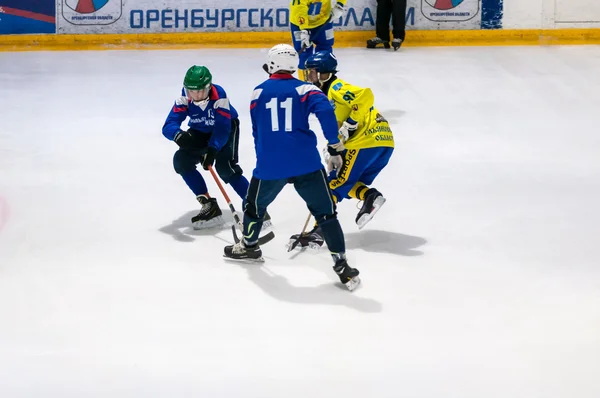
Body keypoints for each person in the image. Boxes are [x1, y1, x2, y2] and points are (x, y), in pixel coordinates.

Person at [223, 44, 360, 291]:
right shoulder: (306, 89)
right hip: (306, 162)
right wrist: (334, 145)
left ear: (272, 65)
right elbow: (326, 111)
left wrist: (266, 157)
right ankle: (342, 264)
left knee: (254, 207)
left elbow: (257, 130)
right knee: (326, 213)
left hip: (270, 165)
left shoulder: (258, 92)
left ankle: (249, 246)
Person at [290, 51, 394, 248]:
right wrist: (334, 149)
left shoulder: (335, 87)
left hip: (366, 141)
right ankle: (369, 196)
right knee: (348, 184)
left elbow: (365, 96)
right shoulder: (324, 95)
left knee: (332, 185)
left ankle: (320, 230)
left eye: (312, 73)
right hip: (381, 142)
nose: (308, 77)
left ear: (324, 73)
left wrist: (351, 124)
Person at [162, 65, 259, 230]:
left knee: (225, 167)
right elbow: (169, 125)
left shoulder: (219, 96)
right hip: (200, 130)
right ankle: (208, 205)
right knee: (181, 161)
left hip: (226, 128)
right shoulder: (184, 98)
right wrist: (178, 135)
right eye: (192, 91)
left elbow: (222, 128)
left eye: (200, 91)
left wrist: (213, 149)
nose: (196, 95)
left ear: (209, 87)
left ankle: (255, 208)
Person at [289, 0, 348, 81]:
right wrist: (304, 30)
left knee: (326, 51)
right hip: (299, 24)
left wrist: (340, 4)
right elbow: (299, 9)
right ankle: (305, 85)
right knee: (304, 54)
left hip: (323, 21)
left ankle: (326, 83)